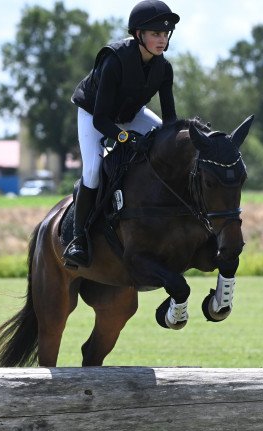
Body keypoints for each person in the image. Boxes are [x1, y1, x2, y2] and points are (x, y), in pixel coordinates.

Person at [64, 0, 180, 267]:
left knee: (167, 141)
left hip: (130, 113)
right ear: (138, 34)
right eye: (155, 34)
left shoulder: (164, 68)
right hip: (93, 114)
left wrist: (175, 140)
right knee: (93, 169)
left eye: (164, 34)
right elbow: (103, 121)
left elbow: (170, 120)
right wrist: (127, 138)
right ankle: (78, 239)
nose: (161, 40)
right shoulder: (114, 60)